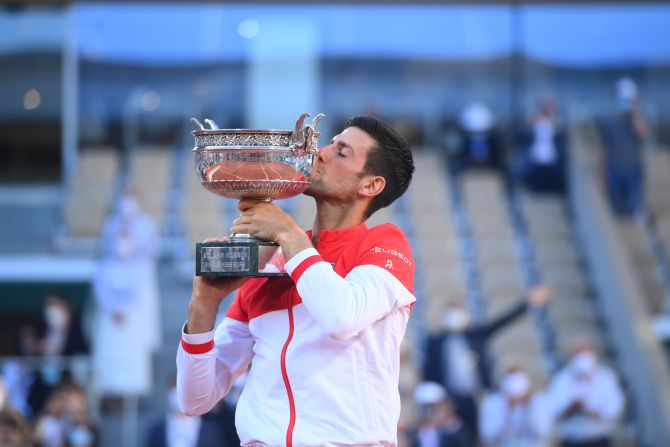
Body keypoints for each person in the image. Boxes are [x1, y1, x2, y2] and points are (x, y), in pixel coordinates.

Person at [176, 115, 416, 446]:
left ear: (371, 185)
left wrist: (287, 232)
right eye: (330, 142)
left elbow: (341, 317)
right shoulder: (273, 260)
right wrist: (204, 303)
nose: (322, 153)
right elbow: (194, 399)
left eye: (342, 152)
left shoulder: (383, 244)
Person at [422, 285, 551, 442]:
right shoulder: (435, 341)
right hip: (448, 400)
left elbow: (502, 322)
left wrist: (528, 303)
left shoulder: (475, 335)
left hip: (476, 398)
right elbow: (428, 372)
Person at [548, 340, 624, 447]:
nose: (582, 359)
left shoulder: (606, 377)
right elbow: (553, 409)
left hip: (599, 438)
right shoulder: (561, 379)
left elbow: (614, 408)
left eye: (585, 354)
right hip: (571, 439)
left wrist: (593, 412)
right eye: (578, 355)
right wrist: (571, 408)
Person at [597, 77, 649, 218]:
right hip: (615, 171)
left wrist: (636, 109)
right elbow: (603, 151)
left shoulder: (635, 122)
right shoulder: (609, 123)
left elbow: (642, 132)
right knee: (617, 211)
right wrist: (604, 176)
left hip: (633, 171)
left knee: (633, 210)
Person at [479, 364, 553, 447]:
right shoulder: (492, 402)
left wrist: (528, 408)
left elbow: (544, 432)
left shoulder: (539, 400)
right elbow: (488, 436)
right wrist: (508, 411)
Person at [518, 97, 568, 193]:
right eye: (546, 107)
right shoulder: (535, 119)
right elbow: (525, 128)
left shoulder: (555, 121)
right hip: (536, 152)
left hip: (551, 153)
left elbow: (561, 131)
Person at [403, 381, 471, 447]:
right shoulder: (411, 434)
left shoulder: (455, 429)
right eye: (425, 408)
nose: (429, 413)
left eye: (434, 408)